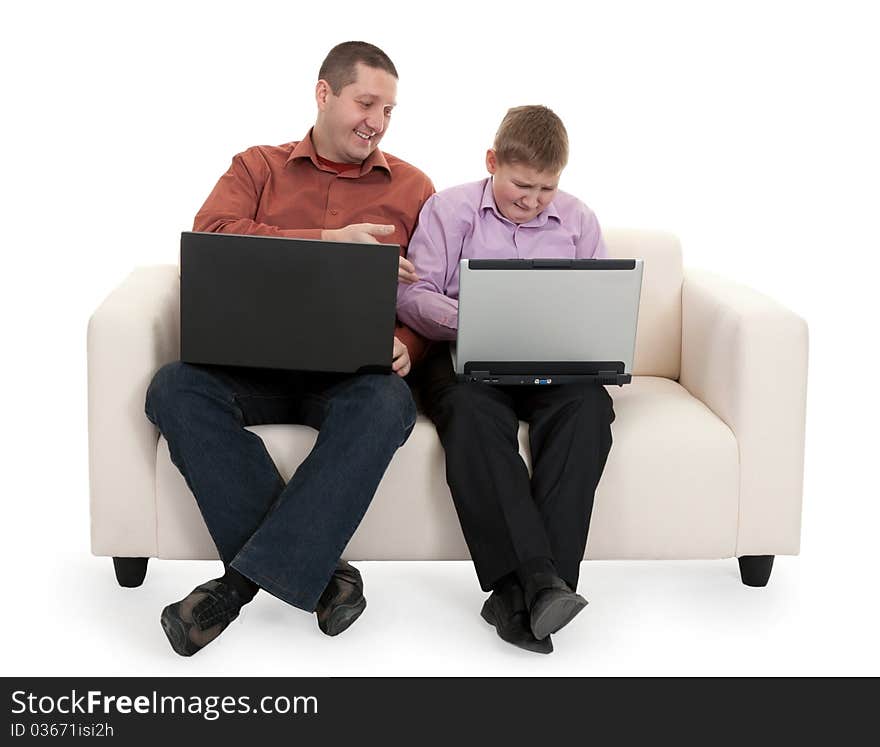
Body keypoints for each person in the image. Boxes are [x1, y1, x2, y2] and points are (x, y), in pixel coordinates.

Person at [145, 41, 434, 656]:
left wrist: (408, 343)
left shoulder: (413, 187)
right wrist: (331, 243)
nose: (377, 122)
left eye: (389, 110)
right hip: (253, 368)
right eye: (365, 102)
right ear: (324, 93)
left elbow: (433, 291)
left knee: (387, 402)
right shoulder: (257, 167)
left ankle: (236, 586)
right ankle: (324, 576)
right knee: (173, 386)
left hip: (351, 379)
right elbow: (214, 234)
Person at [397, 106, 614, 654]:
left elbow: (599, 302)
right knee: (471, 416)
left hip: (553, 360)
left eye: (547, 187)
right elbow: (414, 295)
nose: (533, 199)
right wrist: (475, 319)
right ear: (493, 161)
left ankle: (526, 594)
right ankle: (543, 584)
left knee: (590, 410)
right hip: (466, 356)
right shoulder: (449, 210)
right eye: (522, 184)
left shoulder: (579, 219)